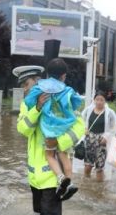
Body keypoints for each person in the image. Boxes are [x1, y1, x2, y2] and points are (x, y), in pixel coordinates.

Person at [15, 64, 83, 215]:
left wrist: (59, 143)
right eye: (23, 85)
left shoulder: (62, 98)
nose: (25, 88)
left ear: (38, 81)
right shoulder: (27, 104)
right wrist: (37, 108)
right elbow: (23, 129)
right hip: (34, 176)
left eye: (26, 84)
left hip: (53, 177)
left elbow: (80, 126)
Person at [23, 58, 84, 199]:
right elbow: (76, 102)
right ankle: (70, 182)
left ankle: (61, 178)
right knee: (65, 156)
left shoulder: (39, 88)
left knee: (49, 155)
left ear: (48, 74)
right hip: (65, 126)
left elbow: (28, 102)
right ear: (64, 76)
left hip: (49, 129)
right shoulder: (68, 89)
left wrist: (37, 104)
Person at [80, 91, 116, 181]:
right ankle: (86, 184)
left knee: (100, 167)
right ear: (94, 100)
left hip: (102, 142)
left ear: (105, 101)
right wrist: (84, 128)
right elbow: (81, 120)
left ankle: (99, 187)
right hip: (89, 140)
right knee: (88, 165)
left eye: (101, 100)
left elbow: (114, 126)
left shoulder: (110, 113)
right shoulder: (88, 110)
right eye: (97, 99)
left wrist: (107, 137)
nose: (99, 102)